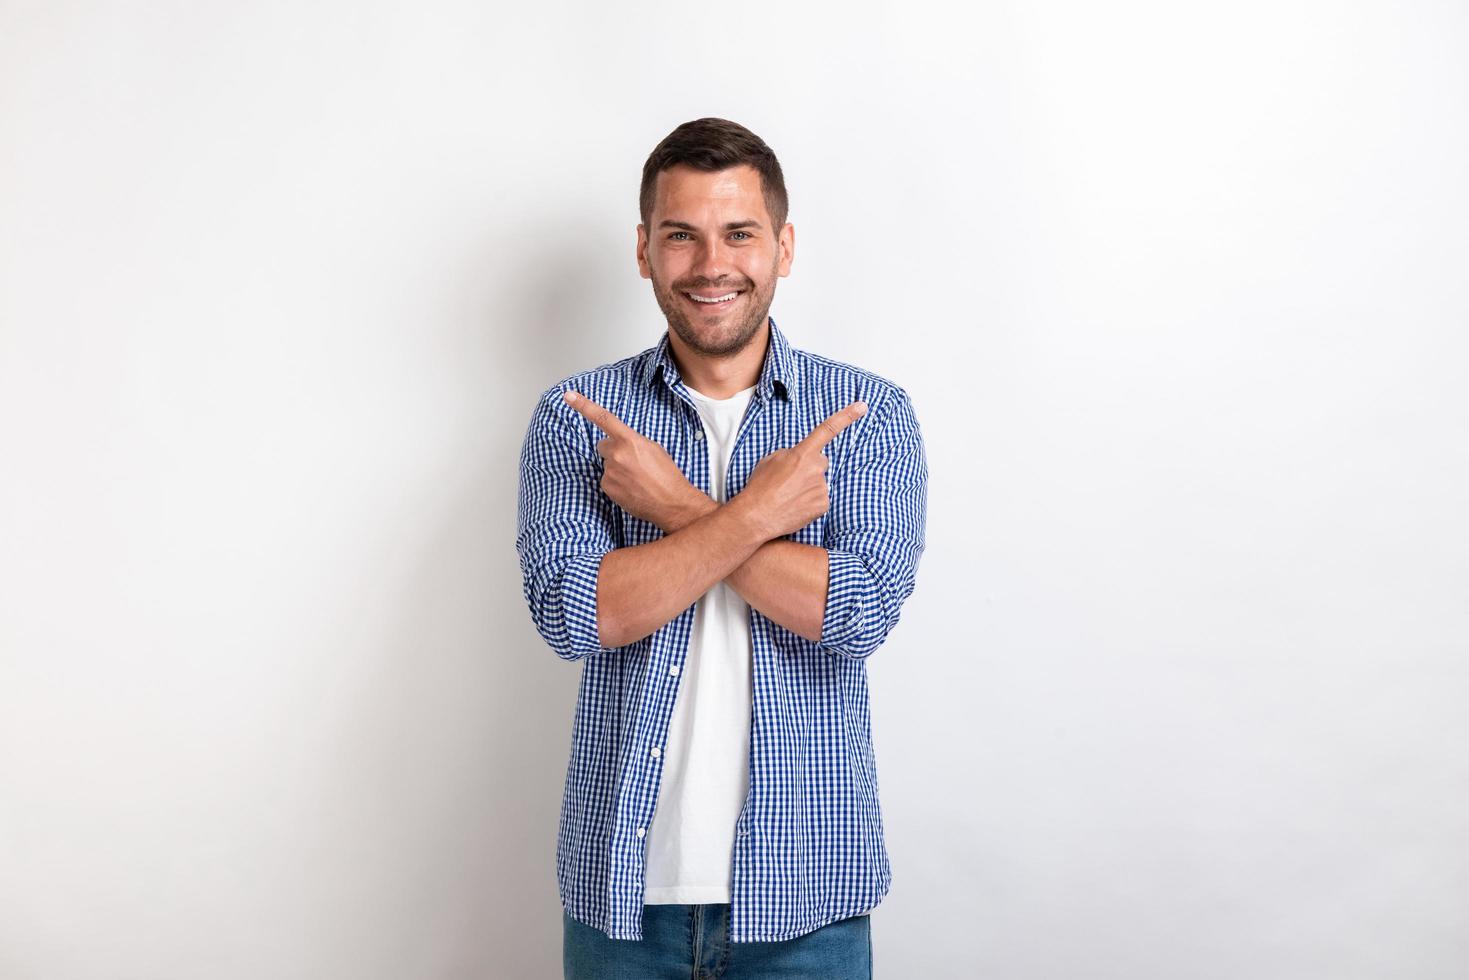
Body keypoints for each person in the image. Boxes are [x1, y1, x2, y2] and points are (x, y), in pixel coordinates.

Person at [515, 117, 928, 979]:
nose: (711, 265)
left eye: (739, 233)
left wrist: (669, 504)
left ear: (782, 246)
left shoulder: (866, 417)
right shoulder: (576, 417)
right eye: (681, 236)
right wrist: (750, 517)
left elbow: (851, 613)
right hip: (620, 909)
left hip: (808, 904)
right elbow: (574, 616)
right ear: (643, 251)